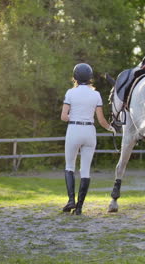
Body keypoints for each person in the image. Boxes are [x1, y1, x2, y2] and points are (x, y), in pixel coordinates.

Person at [60, 63, 116, 215]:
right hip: (89, 131)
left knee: (69, 166)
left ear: (75, 77)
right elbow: (101, 120)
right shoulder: (96, 95)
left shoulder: (70, 93)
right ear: (90, 78)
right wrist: (111, 128)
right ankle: (79, 208)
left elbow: (64, 117)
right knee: (85, 170)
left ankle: (71, 199)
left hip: (74, 129)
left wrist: (75, 117)